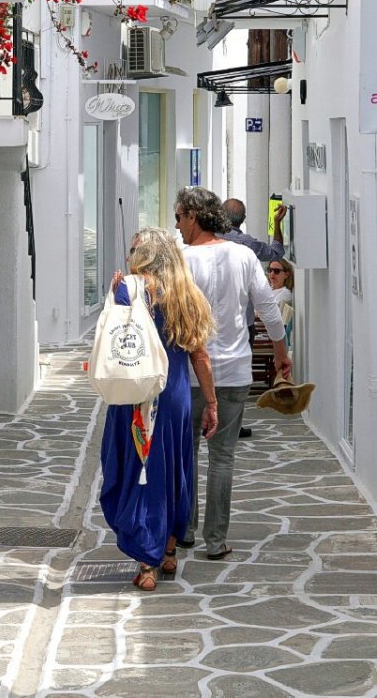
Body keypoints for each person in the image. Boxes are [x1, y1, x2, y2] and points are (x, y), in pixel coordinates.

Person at [174, 187, 292, 559]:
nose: (176, 226)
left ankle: (185, 531)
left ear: (194, 216)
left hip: (191, 374)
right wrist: (281, 353)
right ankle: (215, 540)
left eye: (179, 217)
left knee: (186, 453)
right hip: (236, 371)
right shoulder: (242, 256)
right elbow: (268, 311)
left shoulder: (181, 259)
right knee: (222, 457)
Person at [100, 227, 218, 592]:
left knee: (138, 469)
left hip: (136, 394)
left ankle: (147, 563)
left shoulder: (128, 290)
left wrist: (115, 292)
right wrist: (211, 402)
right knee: (172, 470)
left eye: (134, 249)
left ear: (144, 255)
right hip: (175, 395)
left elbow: (112, 339)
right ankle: (168, 551)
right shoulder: (187, 294)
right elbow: (200, 355)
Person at [222, 197, 287, 439]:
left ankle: (211, 418)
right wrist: (278, 224)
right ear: (243, 219)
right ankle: (233, 425)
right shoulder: (247, 244)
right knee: (239, 375)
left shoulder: (206, 242)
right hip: (243, 324)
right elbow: (276, 252)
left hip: (211, 323)